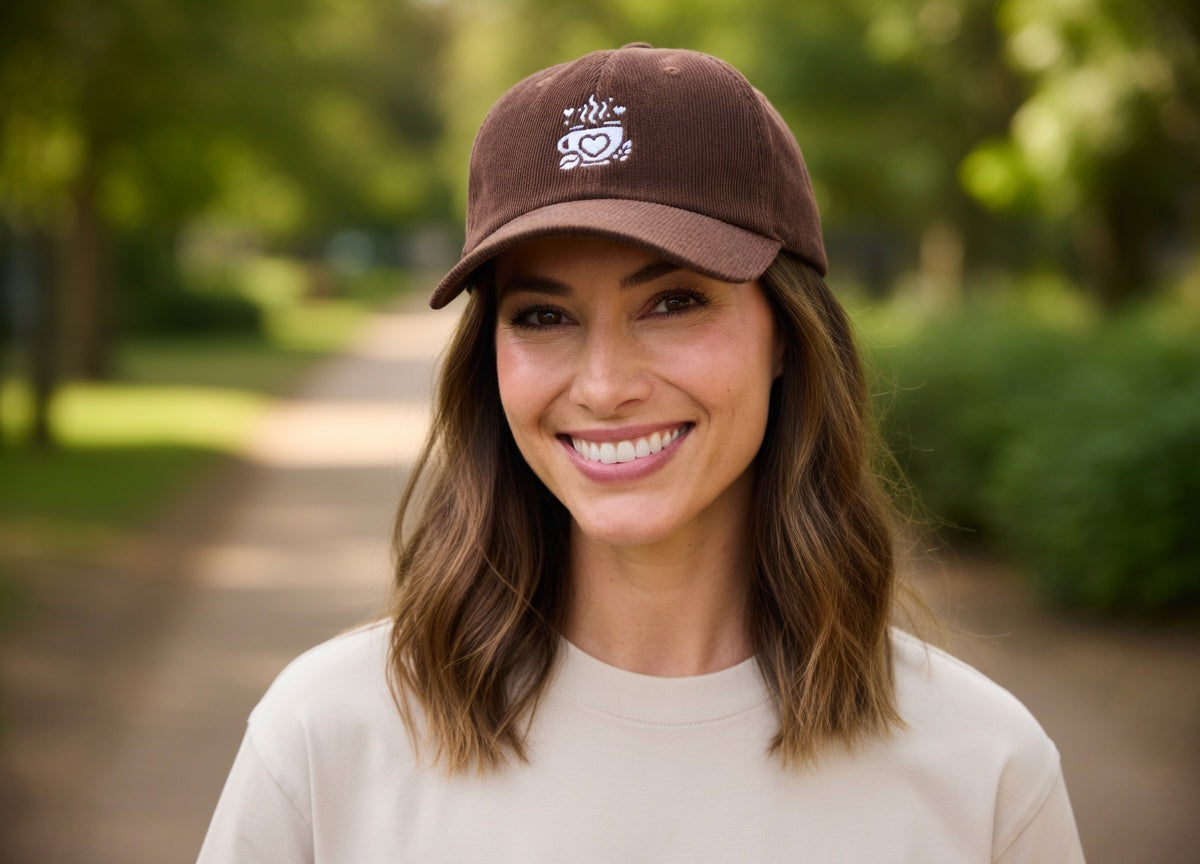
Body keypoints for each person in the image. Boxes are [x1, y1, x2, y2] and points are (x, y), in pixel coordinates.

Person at [198, 44, 1085, 862]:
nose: (604, 384)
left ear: (787, 336)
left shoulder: (983, 769)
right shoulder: (326, 739)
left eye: (675, 303)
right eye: (543, 316)